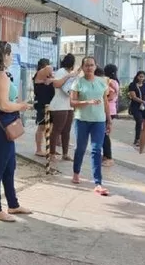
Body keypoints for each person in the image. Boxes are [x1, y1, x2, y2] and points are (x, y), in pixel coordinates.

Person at [0, 41, 33, 221]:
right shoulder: (0, 76)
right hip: (1, 122)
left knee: (9, 166)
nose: (12, 57)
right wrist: (21, 105)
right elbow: (4, 105)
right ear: (3, 56)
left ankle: (13, 204)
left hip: (0, 122)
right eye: (10, 54)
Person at [69, 56, 112, 196]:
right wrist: (87, 102)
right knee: (80, 148)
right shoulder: (78, 83)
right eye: (86, 65)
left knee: (96, 150)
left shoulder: (102, 82)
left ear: (95, 66)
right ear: (82, 67)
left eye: (91, 65)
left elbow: (105, 102)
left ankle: (98, 182)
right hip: (82, 120)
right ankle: (76, 172)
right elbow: (72, 102)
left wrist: (109, 120)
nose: (89, 68)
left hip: (99, 121)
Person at [48, 54, 77, 161]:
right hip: (59, 105)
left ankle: (65, 153)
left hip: (68, 105)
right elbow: (56, 84)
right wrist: (68, 77)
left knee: (66, 130)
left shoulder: (71, 73)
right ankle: (52, 153)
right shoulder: (61, 72)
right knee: (57, 129)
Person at [32, 58, 55, 156]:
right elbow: (49, 68)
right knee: (41, 127)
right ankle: (38, 149)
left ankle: (48, 148)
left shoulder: (47, 78)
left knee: (50, 127)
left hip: (50, 104)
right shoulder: (38, 75)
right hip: (42, 105)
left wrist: (51, 79)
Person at [102, 64, 119, 167]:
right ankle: (105, 155)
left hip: (108, 109)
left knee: (104, 134)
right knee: (103, 134)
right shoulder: (115, 81)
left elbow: (111, 97)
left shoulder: (110, 82)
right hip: (110, 110)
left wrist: (100, 100)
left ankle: (109, 157)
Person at [128, 71, 145, 146]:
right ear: (137, 76)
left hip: (144, 107)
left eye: (143, 77)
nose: (141, 78)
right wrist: (142, 101)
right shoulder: (132, 85)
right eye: (140, 76)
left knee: (144, 122)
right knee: (139, 121)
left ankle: (141, 138)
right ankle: (137, 139)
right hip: (135, 106)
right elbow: (133, 97)